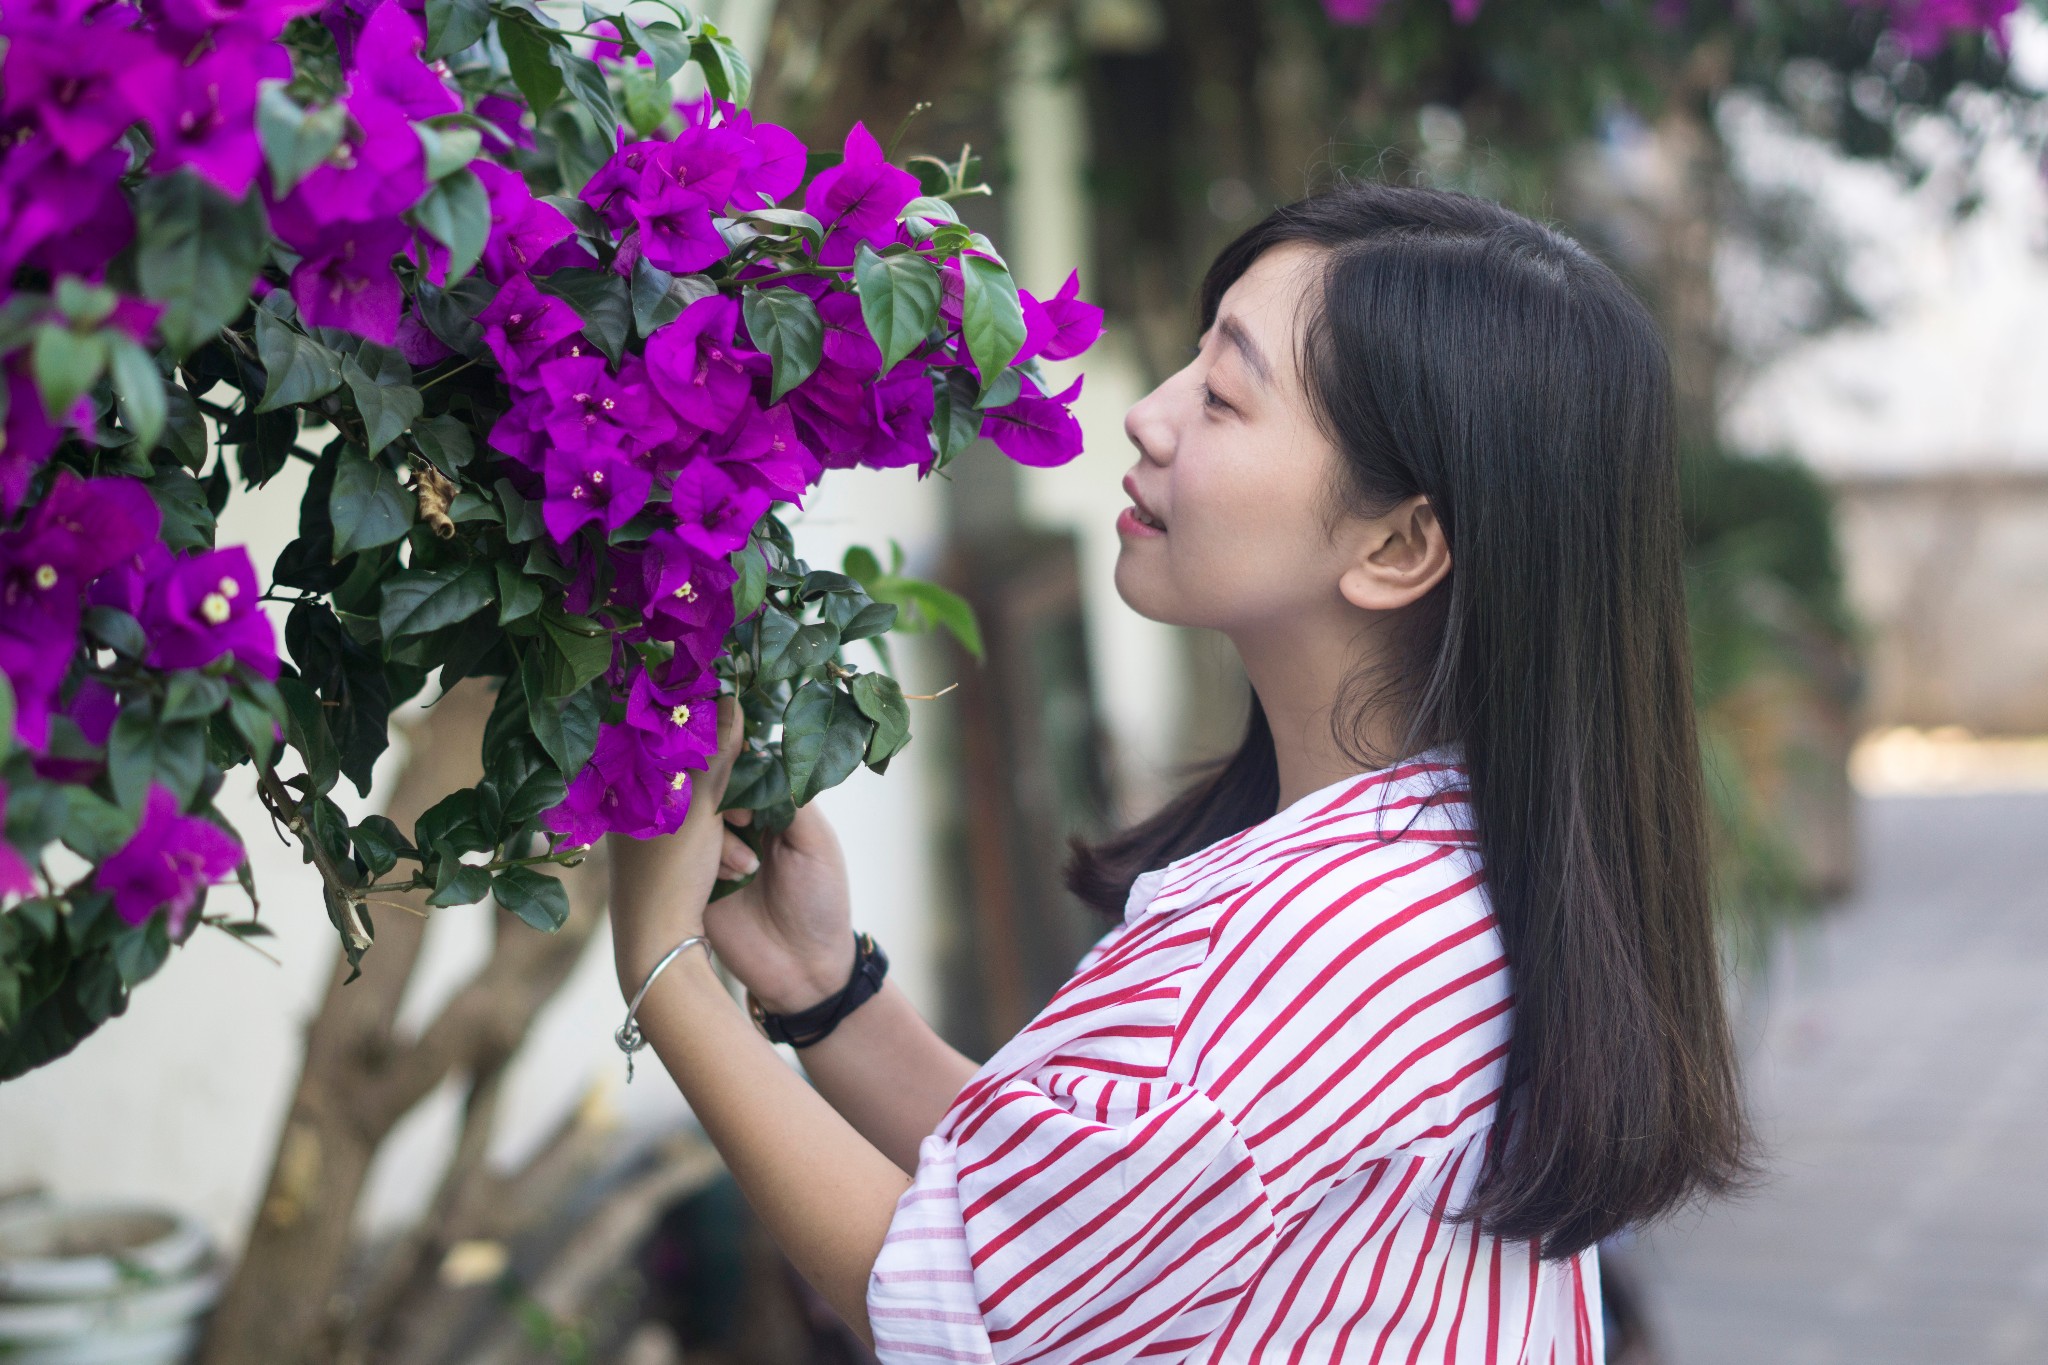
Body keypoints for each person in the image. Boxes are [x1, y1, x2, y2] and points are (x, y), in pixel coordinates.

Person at [604, 180, 1752, 1362]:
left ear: (1398, 544)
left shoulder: (1316, 947)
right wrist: (821, 988)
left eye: (1222, 393)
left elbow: (953, 1306)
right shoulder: (1438, 868)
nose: (1148, 416)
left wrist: (663, 970)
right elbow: (1093, 1220)